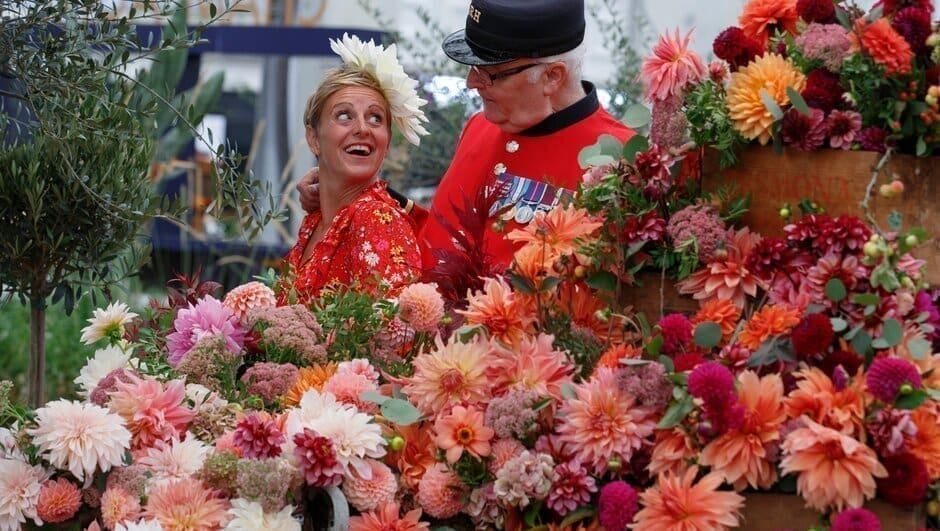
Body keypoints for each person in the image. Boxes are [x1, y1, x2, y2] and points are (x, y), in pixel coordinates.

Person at [298, 0, 633, 270]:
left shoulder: (624, 158)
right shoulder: (480, 126)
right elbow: (441, 244)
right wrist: (348, 192)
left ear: (552, 77)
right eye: (472, 68)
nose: (472, 83)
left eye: (491, 74)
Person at [281, 34, 429, 305]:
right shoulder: (316, 220)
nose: (362, 128)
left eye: (375, 118)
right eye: (344, 115)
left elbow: (394, 337)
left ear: (386, 143)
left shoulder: (376, 218)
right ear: (314, 138)